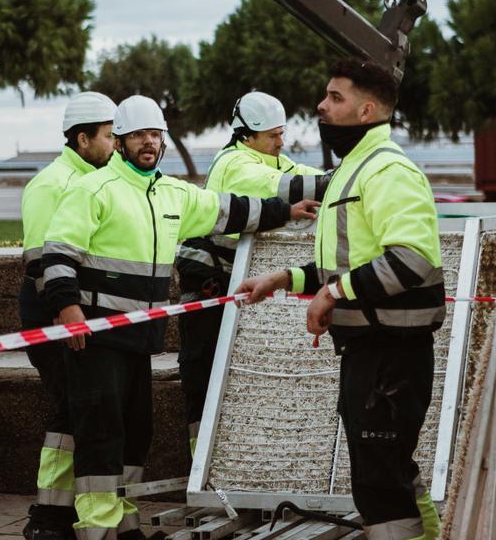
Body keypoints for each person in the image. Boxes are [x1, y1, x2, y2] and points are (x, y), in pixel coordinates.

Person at [41, 95, 319, 540]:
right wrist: (68, 307)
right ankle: (96, 528)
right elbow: (57, 252)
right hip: (97, 337)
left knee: (136, 435)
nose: (148, 143)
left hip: (138, 339)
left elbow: (231, 209)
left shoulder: (172, 193)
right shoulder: (93, 189)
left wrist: (286, 211)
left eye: (155, 135)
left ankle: (122, 524)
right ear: (121, 142)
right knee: (101, 434)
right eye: (137, 136)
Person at [236, 59, 445, 540]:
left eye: (335, 98)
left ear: (366, 109)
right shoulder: (354, 169)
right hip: (372, 350)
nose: (321, 105)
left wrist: (332, 292)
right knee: (387, 468)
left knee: (379, 481)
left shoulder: (388, 170)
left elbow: (413, 258)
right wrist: (286, 277)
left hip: (392, 352)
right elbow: (350, 263)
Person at [175, 91, 329, 451]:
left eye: (281, 133)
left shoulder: (270, 159)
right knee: (206, 372)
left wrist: (347, 178)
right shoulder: (234, 164)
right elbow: (289, 190)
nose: (281, 141)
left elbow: (312, 177)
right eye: (273, 135)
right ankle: (202, 462)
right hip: (209, 280)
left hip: (234, 276)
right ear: (248, 136)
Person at [19, 91, 118, 540]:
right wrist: (63, 311)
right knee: (67, 412)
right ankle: (48, 518)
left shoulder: (92, 181)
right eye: (109, 137)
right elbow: (40, 262)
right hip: (53, 315)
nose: (115, 145)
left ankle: (57, 515)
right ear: (83, 139)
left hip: (75, 317)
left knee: (77, 411)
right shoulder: (51, 183)